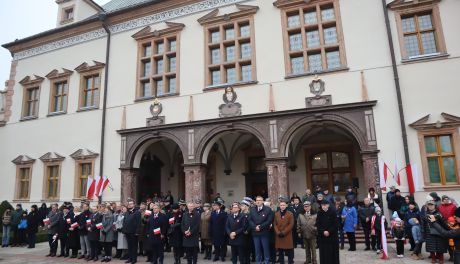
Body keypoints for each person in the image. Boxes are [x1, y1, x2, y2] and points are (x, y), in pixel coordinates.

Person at [249, 195, 274, 264]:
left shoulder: (268, 209)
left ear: (263, 201)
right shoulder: (252, 209)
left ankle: (266, 261)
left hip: (264, 233)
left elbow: (269, 220)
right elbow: (250, 220)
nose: (258, 202)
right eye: (257, 200)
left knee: (265, 248)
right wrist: (255, 227)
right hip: (255, 233)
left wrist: (260, 227)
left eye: (259, 200)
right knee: (257, 249)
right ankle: (258, 262)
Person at [422, 199, 448, 263]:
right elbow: (423, 224)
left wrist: (439, 217)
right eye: (429, 205)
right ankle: (433, 258)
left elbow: (443, 223)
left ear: (435, 206)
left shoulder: (439, 213)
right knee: (432, 246)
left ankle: (441, 259)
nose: (430, 206)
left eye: (432, 205)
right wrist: (424, 233)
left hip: (439, 232)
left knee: (440, 246)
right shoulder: (425, 214)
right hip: (429, 232)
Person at [316, 200, 339, 264]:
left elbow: (335, 224)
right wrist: (323, 231)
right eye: (322, 205)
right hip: (323, 238)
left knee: (333, 255)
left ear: (328, 205)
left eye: (325, 205)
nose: (324, 206)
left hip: (332, 237)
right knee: (324, 255)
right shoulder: (319, 213)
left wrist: (329, 231)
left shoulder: (333, 212)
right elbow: (318, 224)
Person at [274, 199, 295, 264]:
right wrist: (278, 232)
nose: (282, 206)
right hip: (279, 235)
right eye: (281, 205)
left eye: (283, 205)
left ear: (286, 205)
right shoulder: (276, 214)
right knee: (280, 251)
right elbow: (275, 224)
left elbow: (291, 225)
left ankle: (290, 262)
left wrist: (284, 232)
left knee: (289, 250)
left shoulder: (290, 214)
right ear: (279, 206)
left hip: (287, 235)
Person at [122, 199, 141, 264]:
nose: (129, 205)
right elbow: (124, 222)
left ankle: (134, 259)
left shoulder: (137, 212)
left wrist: (137, 232)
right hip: (127, 232)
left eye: (131, 204)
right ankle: (130, 258)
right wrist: (124, 230)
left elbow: (139, 223)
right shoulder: (127, 212)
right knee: (129, 246)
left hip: (134, 232)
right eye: (128, 204)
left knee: (134, 246)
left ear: (134, 205)